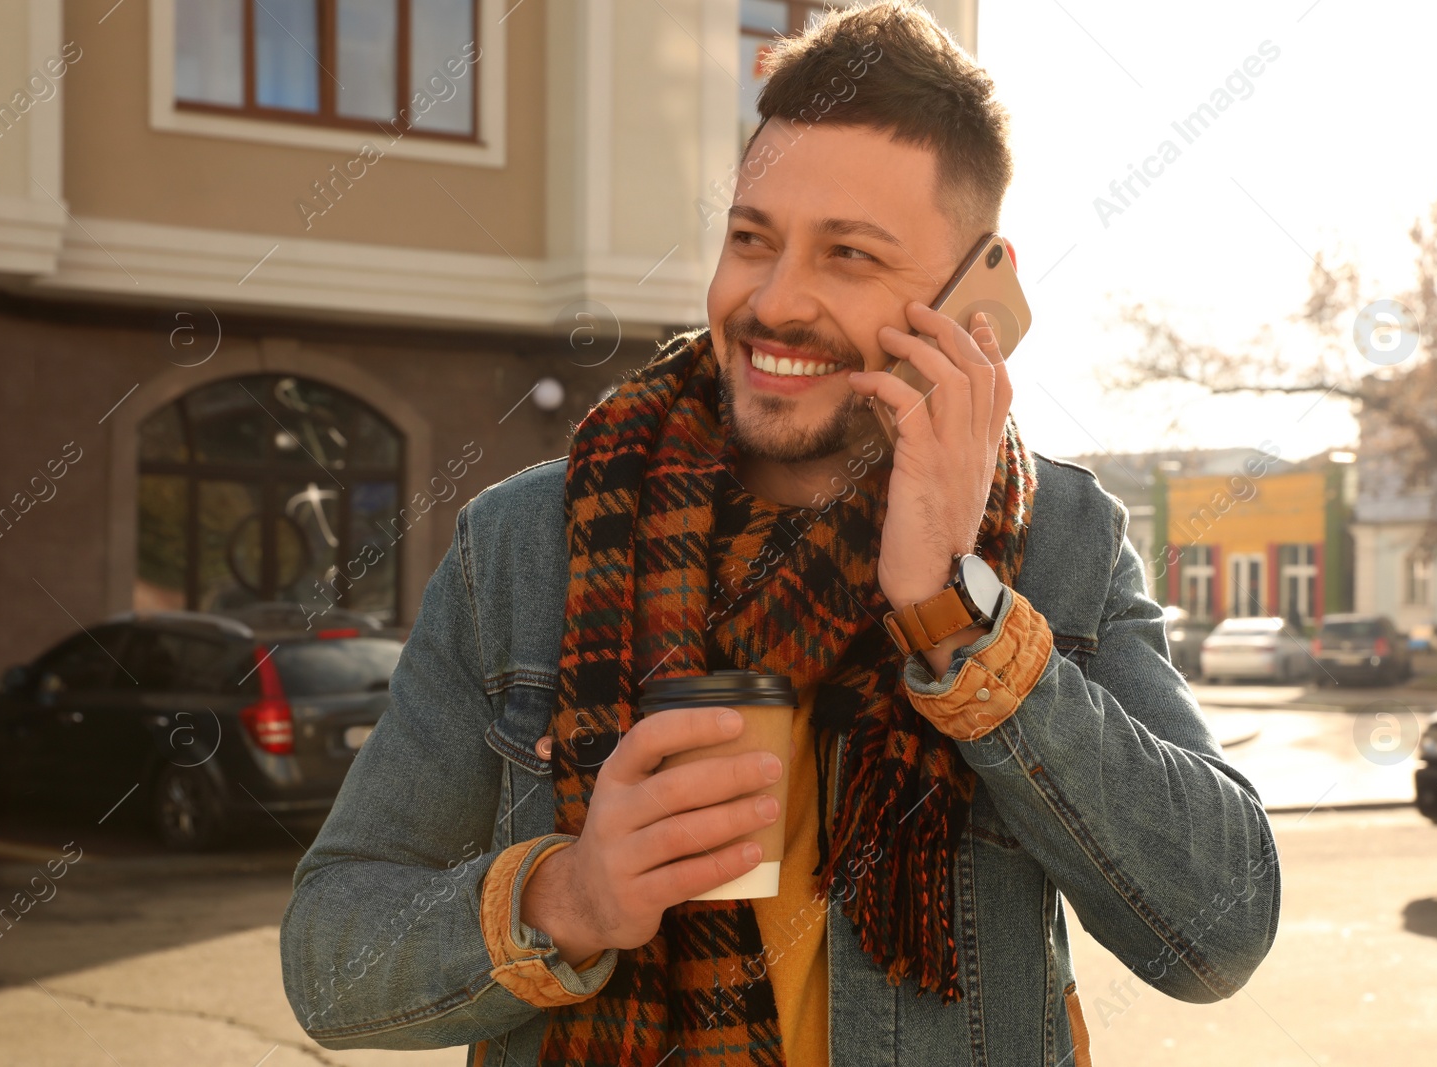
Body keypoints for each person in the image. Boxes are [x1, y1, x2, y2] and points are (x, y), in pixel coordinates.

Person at [279, 4, 1280, 1065]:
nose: (773, 300)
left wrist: (953, 611)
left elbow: (1217, 932)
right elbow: (328, 960)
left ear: (971, 295)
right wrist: (567, 894)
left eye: (848, 255)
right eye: (751, 238)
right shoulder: (528, 541)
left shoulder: (1060, 536)